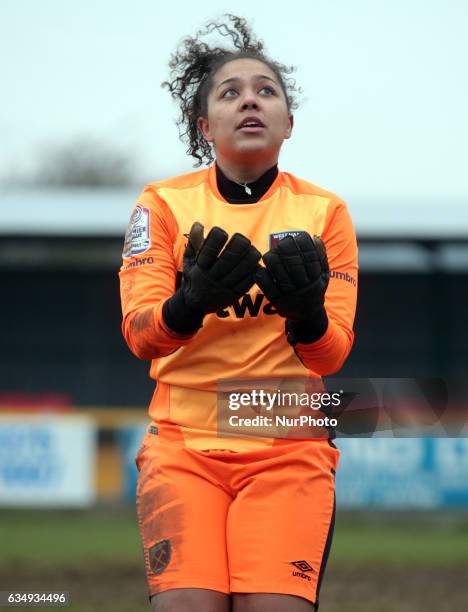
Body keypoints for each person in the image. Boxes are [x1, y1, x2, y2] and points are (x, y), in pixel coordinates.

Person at [119, 14, 358, 612]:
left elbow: (333, 353)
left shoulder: (326, 213)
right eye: (230, 92)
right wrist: (188, 304)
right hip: (182, 448)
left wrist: (307, 315)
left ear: (288, 122)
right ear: (205, 125)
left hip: (288, 448)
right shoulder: (162, 205)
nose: (250, 100)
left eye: (265, 91)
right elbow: (141, 336)